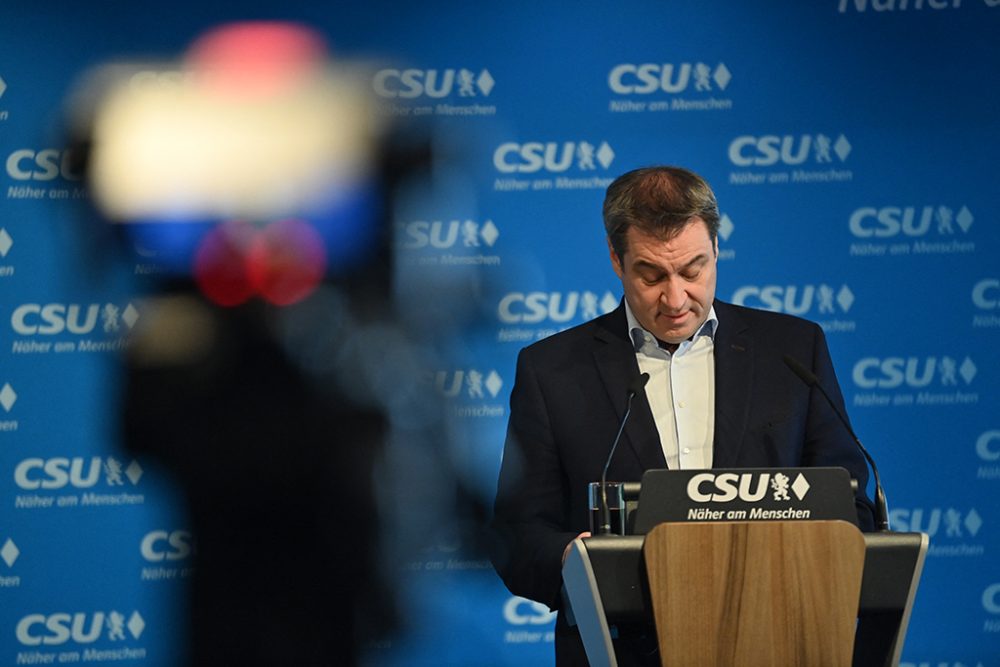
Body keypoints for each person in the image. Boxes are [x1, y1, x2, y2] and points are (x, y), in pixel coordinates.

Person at [490, 165, 876, 666]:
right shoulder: (552, 370)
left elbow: (851, 505)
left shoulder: (794, 350)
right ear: (615, 258)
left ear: (717, 248)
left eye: (693, 271)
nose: (675, 299)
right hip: (623, 648)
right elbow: (517, 534)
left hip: (779, 637)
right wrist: (570, 559)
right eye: (651, 275)